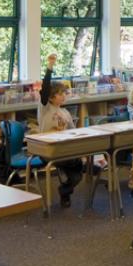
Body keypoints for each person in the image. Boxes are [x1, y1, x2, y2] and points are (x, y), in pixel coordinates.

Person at [37, 54, 86, 208]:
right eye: (60, 93)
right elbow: (44, 89)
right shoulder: (45, 108)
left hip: (64, 149)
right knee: (78, 163)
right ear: (51, 97)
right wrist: (50, 66)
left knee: (77, 174)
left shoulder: (65, 113)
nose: (64, 95)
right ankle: (82, 164)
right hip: (48, 150)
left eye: (65, 93)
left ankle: (65, 190)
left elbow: (73, 132)